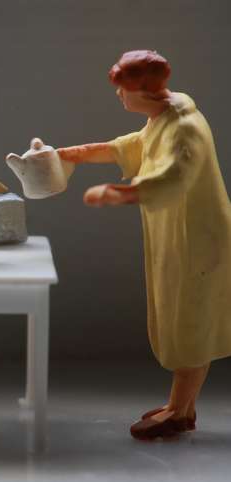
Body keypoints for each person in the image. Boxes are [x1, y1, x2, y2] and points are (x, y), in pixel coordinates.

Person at [57, 50, 231, 440]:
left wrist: (119, 193)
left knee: (190, 323)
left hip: (198, 238)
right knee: (182, 318)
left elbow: (174, 176)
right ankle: (182, 406)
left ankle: (178, 411)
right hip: (178, 235)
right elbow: (131, 146)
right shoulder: (162, 118)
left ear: (145, 90)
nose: (119, 96)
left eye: (124, 89)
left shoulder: (185, 127)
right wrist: (74, 155)